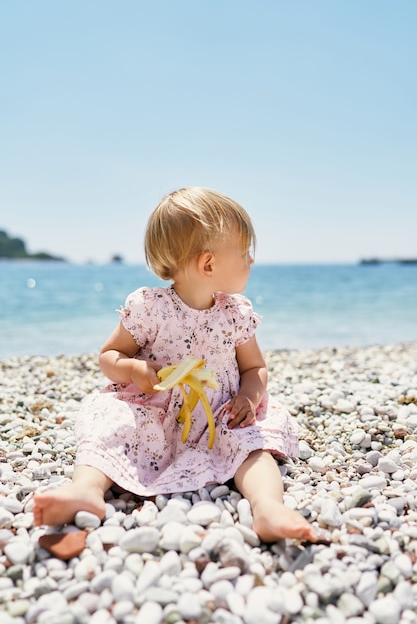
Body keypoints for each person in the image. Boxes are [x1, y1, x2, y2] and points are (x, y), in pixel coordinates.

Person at [34, 187, 319, 542]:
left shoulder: (235, 313)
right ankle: (87, 490)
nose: (252, 260)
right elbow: (109, 356)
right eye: (245, 252)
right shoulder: (149, 308)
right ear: (209, 264)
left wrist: (249, 396)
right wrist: (133, 371)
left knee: (253, 447)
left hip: (219, 415)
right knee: (111, 427)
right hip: (156, 413)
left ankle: (267, 507)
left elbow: (254, 368)